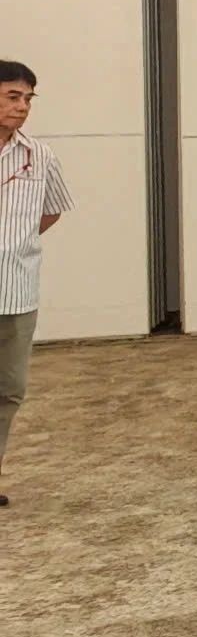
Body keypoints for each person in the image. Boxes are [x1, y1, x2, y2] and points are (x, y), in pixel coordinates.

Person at [0, 61, 71, 506]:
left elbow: (52, 210)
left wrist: (15, 244)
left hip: (16, 293)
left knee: (8, 391)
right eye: (13, 96)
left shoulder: (39, 156)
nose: (23, 106)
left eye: (28, 98)